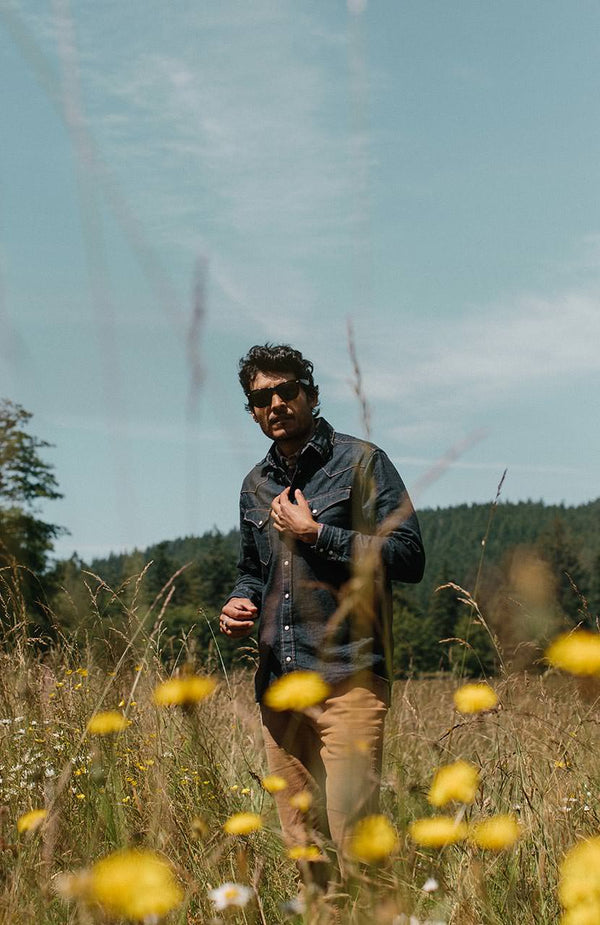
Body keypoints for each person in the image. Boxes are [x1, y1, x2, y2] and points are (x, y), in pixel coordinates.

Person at [220, 344, 425, 877]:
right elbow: (252, 571)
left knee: (358, 846)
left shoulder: (361, 462)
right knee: (307, 854)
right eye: (261, 398)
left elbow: (408, 556)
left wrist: (317, 534)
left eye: (287, 391)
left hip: (348, 678)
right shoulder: (254, 485)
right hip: (280, 688)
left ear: (310, 396)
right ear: (253, 411)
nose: (276, 404)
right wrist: (239, 601)